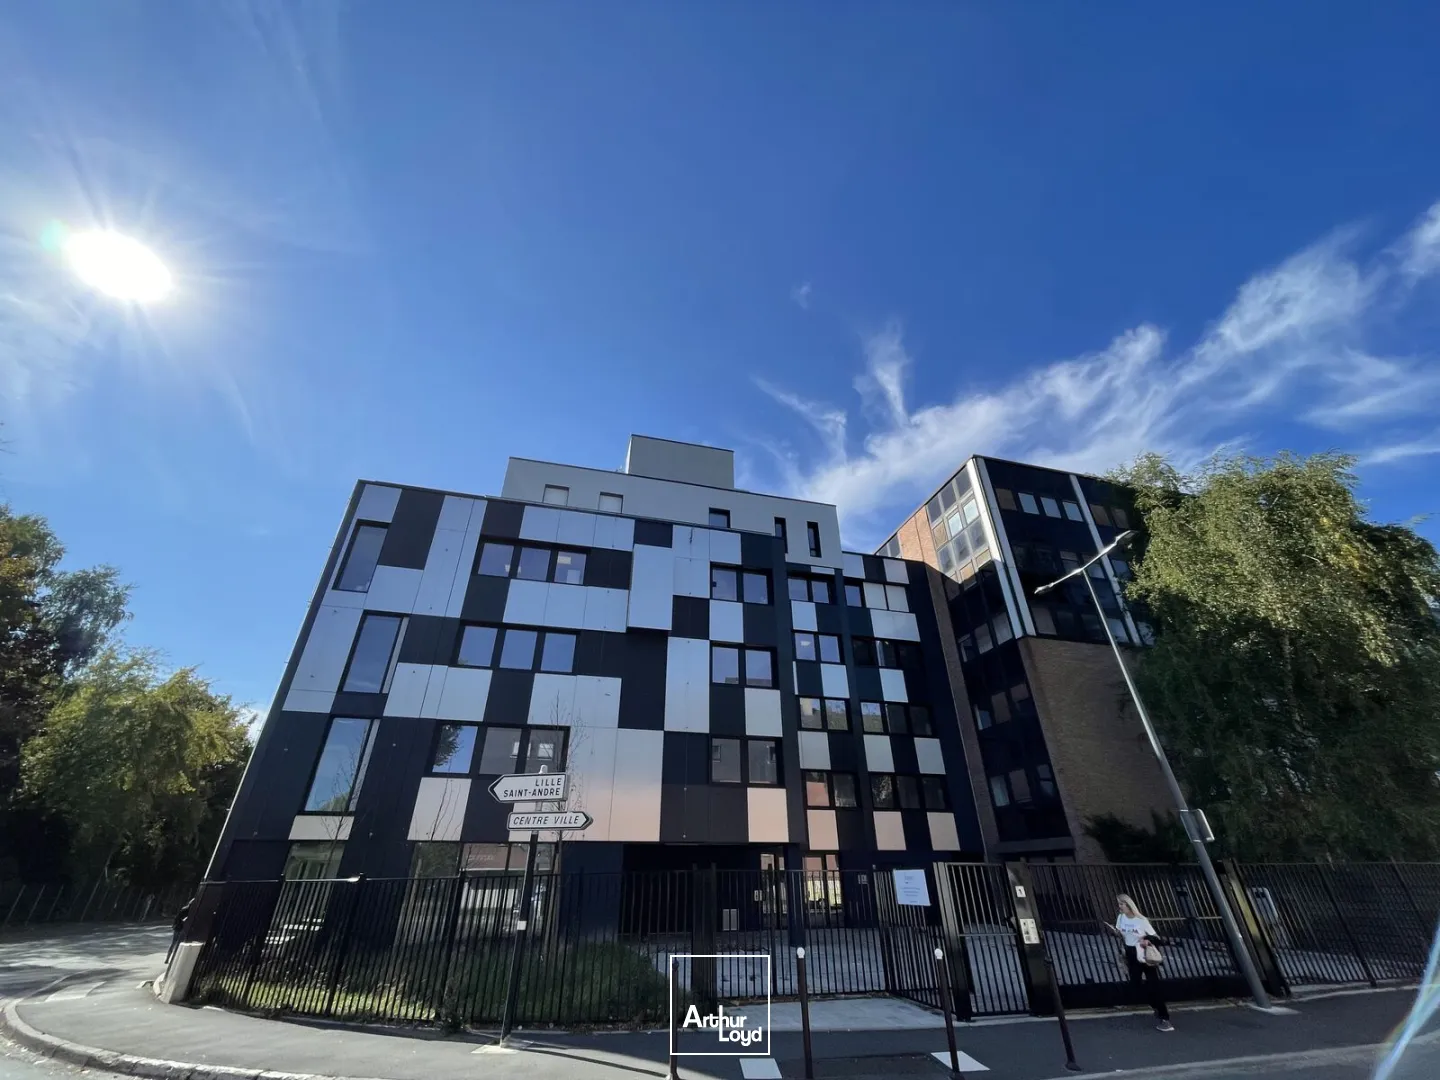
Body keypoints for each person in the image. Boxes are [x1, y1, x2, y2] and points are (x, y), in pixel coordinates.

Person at [1108, 893, 1173, 1031]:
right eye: (1119, 904)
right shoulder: (1121, 918)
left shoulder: (1141, 920)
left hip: (1143, 954)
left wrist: (1147, 940)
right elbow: (1121, 933)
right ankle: (1155, 1006)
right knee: (1136, 984)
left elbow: (1157, 938)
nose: (1119, 906)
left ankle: (1165, 1018)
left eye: (1122, 904)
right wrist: (1115, 932)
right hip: (1130, 953)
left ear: (1129, 905)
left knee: (1153, 985)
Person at [166, 897, 193, 964]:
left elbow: (177, 918)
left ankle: (167, 958)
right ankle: (174, 959)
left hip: (177, 928)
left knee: (173, 943)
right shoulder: (191, 911)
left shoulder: (183, 909)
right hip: (182, 929)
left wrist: (174, 924)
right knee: (178, 944)